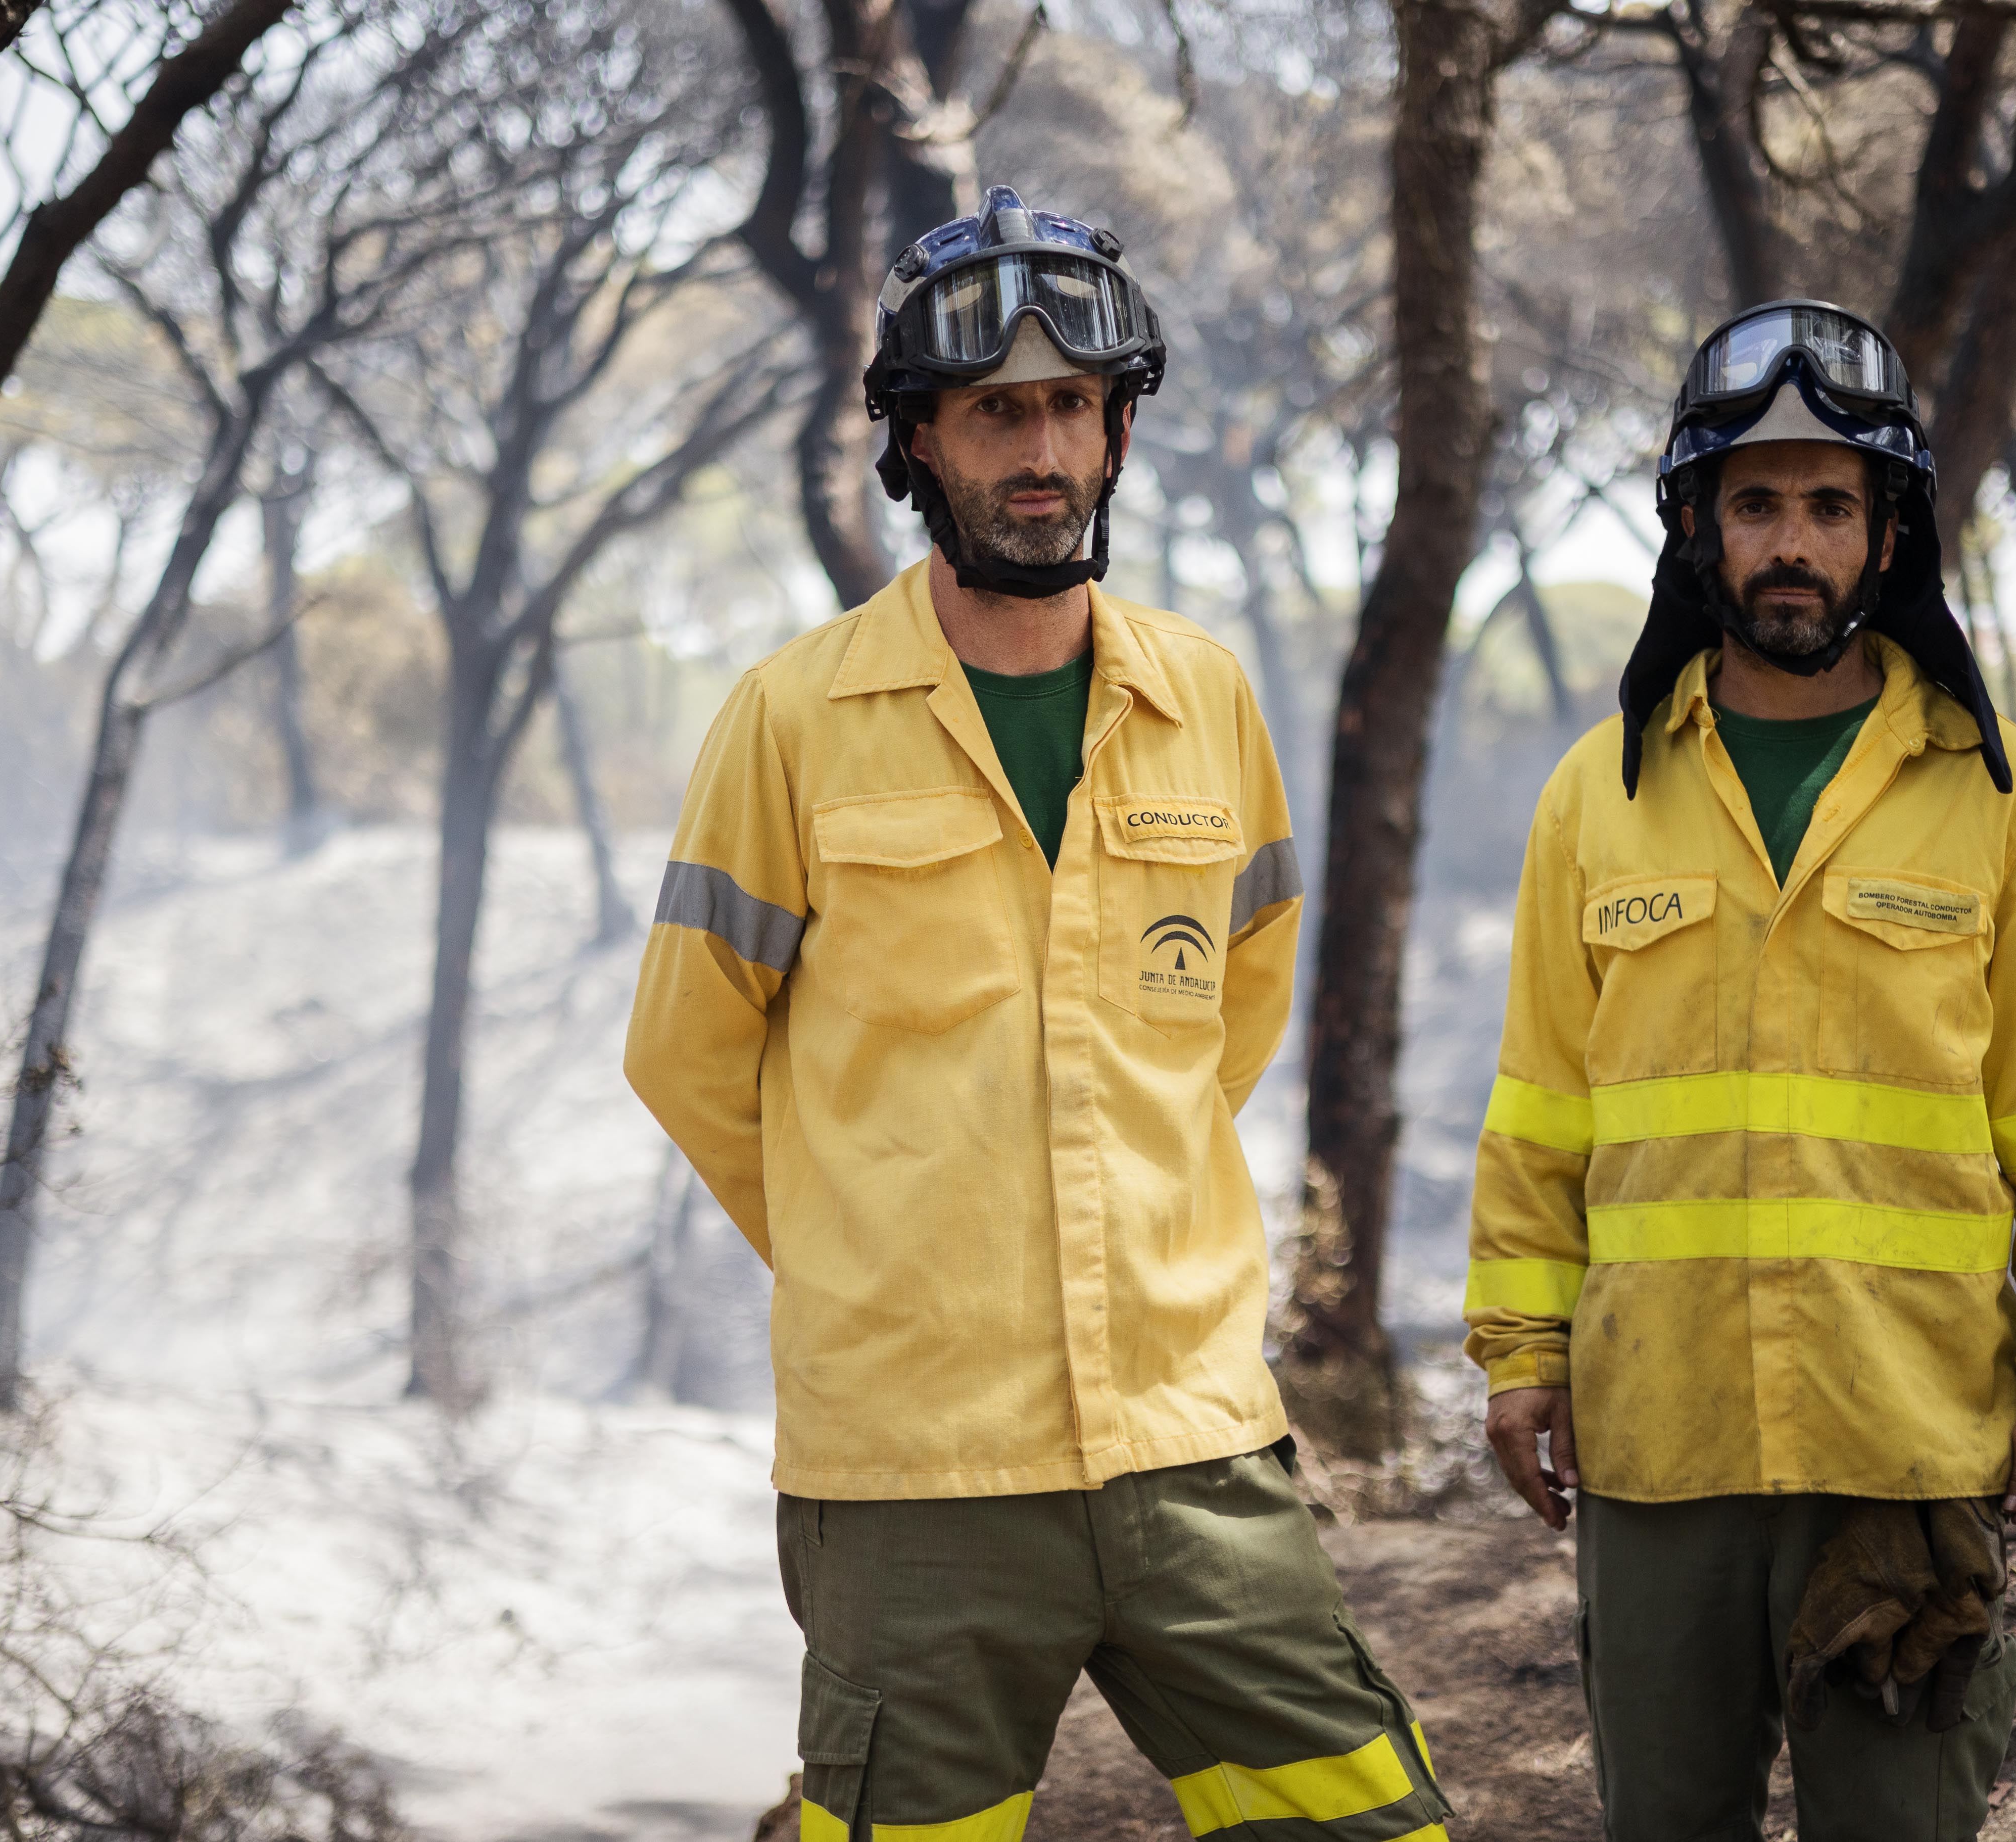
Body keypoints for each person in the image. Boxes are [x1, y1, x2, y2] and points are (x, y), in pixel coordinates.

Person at [626, 187, 1451, 1842]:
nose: (1041, 450)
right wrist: (887, 1256)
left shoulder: (1204, 696)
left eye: (1073, 406)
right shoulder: (793, 718)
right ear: (918, 441)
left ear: (1119, 427)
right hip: (913, 1476)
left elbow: (1235, 1001)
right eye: (998, 411)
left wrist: (1118, 1211)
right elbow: (690, 1051)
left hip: (1193, 1446)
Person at [1465, 300, 2016, 1839]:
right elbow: (1538, 1118)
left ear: (1888, 537)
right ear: (1697, 527)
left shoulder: (1994, 792)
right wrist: (1519, 1352)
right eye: (1757, 502)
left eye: (1830, 506)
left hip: (1903, 1440)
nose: (1793, 542)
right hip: (1663, 1451)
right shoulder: (1600, 795)